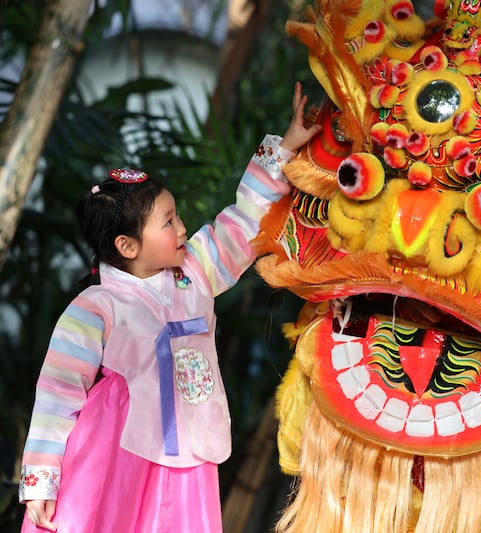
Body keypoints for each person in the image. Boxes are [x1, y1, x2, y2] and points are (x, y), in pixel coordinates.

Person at [18, 82, 321, 532]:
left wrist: (285, 150)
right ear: (127, 245)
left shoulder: (195, 271)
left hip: (191, 459)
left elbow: (243, 219)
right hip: (118, 459)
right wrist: (41, 481)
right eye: (168, 221)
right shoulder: (96, 306)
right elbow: (59, 393)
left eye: (177, 215)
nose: (182, 227)